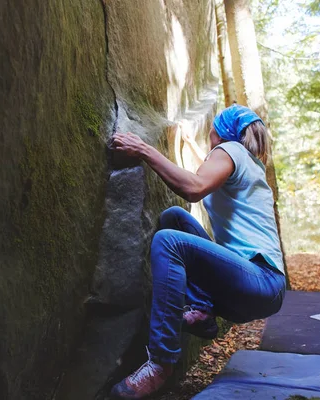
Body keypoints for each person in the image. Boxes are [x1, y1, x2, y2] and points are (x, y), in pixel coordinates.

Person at [109, 104, 286, 399]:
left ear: (219, 134)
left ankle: (161, 364)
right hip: (256, 287)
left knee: (169, 240)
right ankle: (202, 311)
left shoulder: (228, 151)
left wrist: (144, 149)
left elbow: (194, 187)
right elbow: (206, 173)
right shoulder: (248, 163)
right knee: (175, 218)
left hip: (259, 280)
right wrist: (189, 143)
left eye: (210, 132)